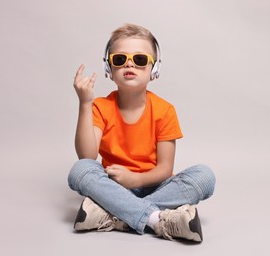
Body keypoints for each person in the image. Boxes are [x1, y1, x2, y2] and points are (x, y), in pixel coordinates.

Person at [68, 23, 215, 243]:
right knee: (80, 170)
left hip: (155, 186)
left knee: (205, 176)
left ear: (154, 70)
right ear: (109, 69)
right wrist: (85, 103)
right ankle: (157, 219)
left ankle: (115, 215)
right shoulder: (100, 106)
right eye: (119, 59)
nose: (129, 64)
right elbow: (87, 156)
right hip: (114, 186)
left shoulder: (165, 110)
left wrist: (136, 180)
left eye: (140, 60)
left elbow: (165, 169)